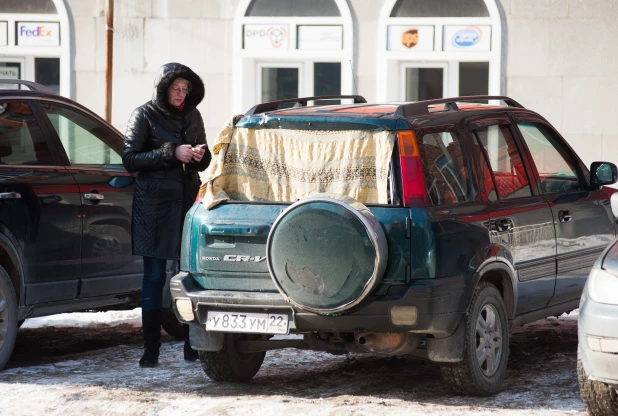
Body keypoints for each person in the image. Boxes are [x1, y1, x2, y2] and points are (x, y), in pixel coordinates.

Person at [122, 62, 211, 367]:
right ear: (164, 88)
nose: (181, 93)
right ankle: (151, 349)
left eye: (186, 88)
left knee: (188, 275)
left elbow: (204, 155)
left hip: (186, 202)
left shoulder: (193, 114)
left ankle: (191, 344)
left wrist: (200, 155)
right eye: (176, 88)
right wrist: (170, 153)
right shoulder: (143, 114)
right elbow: (130, 159)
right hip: (154, 207)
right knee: (154, 277)